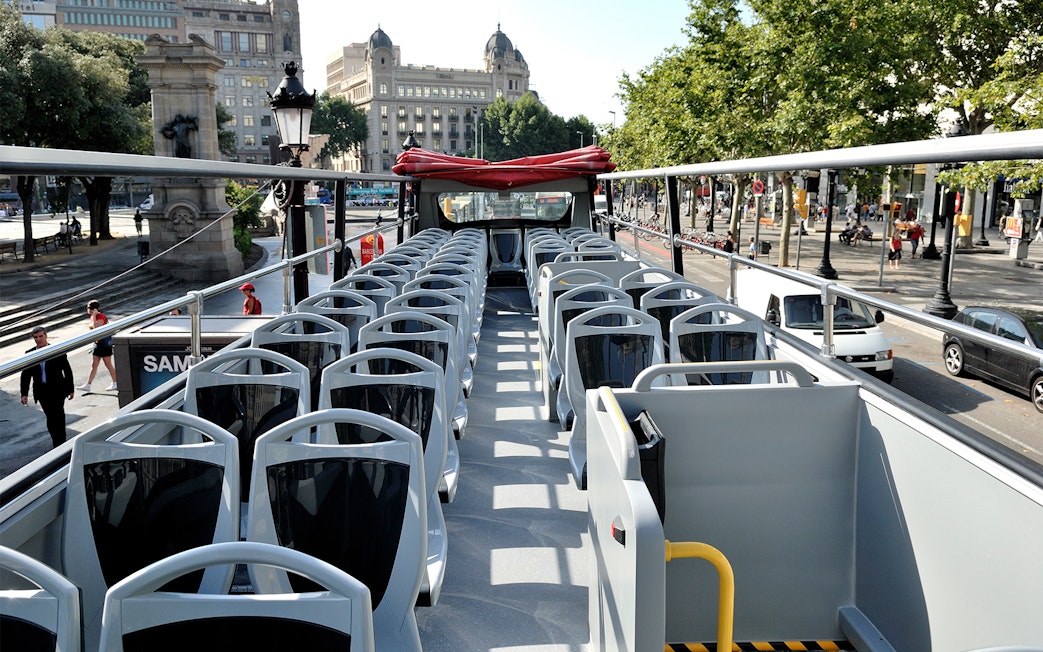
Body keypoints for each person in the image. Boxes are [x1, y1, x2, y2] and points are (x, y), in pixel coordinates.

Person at [20, 326, 76, 449]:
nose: (38, 339)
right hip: (42, 391)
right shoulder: (30, 354)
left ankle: (61, 443)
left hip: (57, 390)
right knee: (50, 417)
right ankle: (56, 442)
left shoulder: (56, 350)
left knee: (59, 416)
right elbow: (26, 374)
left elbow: (67, 371)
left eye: (41, 336)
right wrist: (24, 393)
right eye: (36, 337)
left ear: (46, 336)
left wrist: (70, 389)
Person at [77, 300, 118, 392]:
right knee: (94, 364)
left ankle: (115, 382)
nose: (88, 310)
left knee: (108, 364)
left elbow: (96, 328)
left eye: (89, 308)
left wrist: (95, 316)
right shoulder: (92, 317)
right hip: (97, 343)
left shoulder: (100, 316)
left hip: (104, 344)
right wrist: (93, 317)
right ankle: (88, 384)